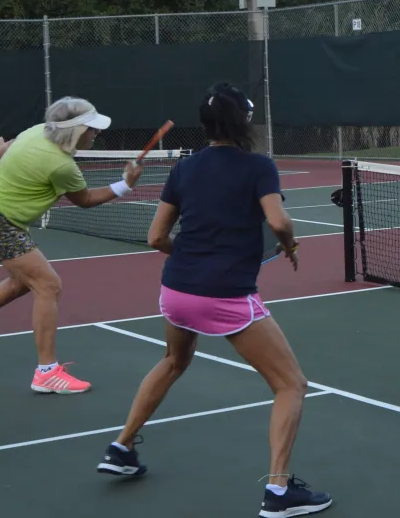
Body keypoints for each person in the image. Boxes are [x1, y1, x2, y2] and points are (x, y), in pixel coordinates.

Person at [96, 83, 330, 518]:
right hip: (224, 296)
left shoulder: (184, 169)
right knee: (291, 385)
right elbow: (277, 220)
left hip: (176, 291)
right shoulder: (259, 167)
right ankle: (279, 492)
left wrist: (193, 256)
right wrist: (290, 244)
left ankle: (120, 447)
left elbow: (155, 238)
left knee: (173, 360)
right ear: (244, 122)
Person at [0, 97, 144, 393]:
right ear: (75, 130)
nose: (96, 134)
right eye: (92, 129)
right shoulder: (61, 165)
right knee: (48, 285)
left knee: (26, 280)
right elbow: (85, 200)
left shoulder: (36, 130)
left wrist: (0, 149)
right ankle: (47, 372)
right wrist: (126, 184)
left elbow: (4, 151)